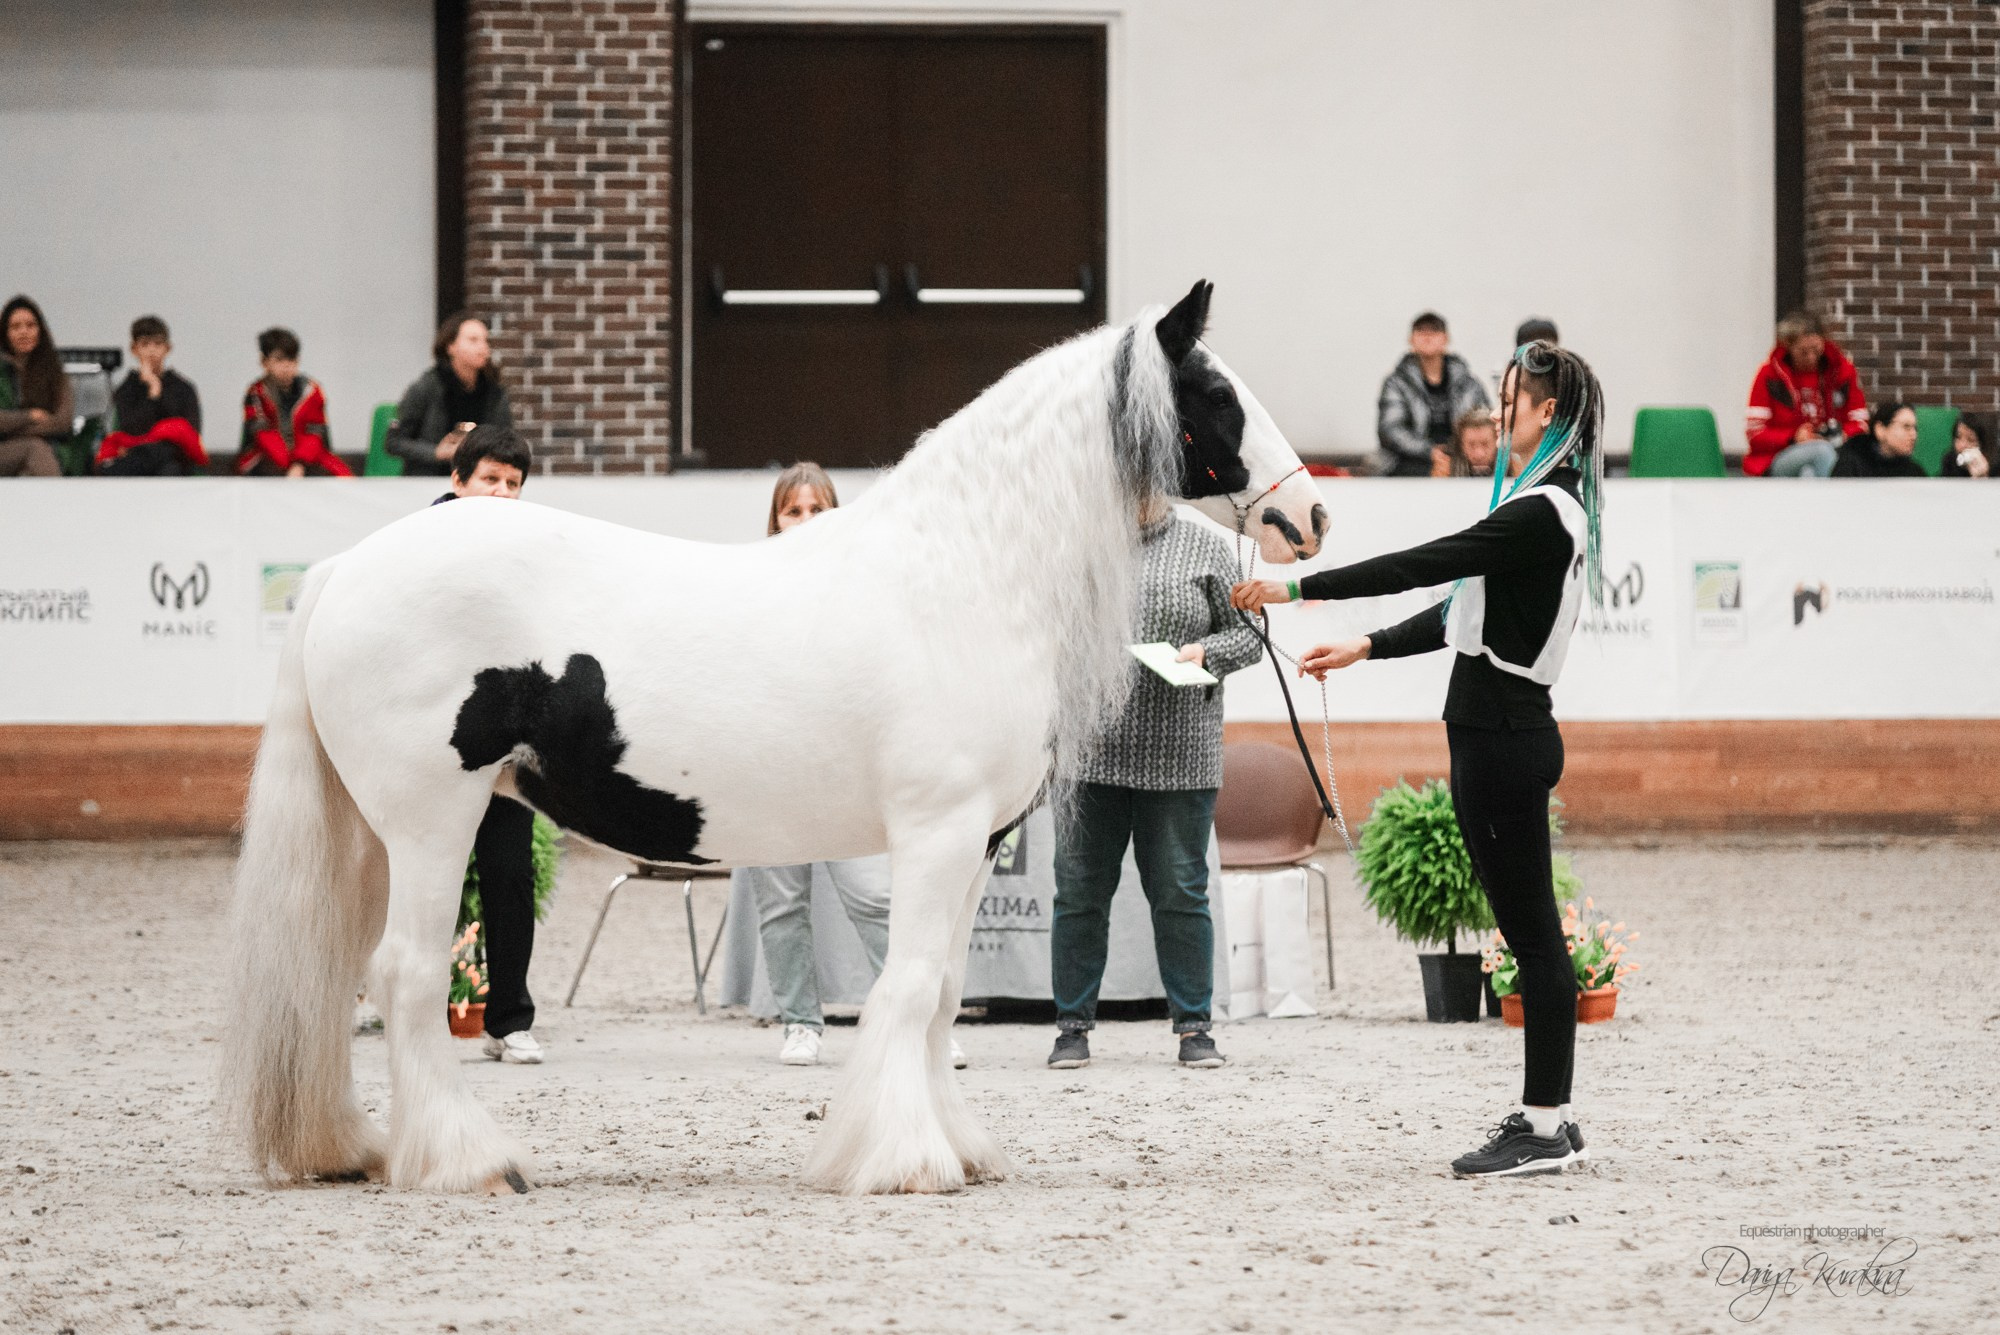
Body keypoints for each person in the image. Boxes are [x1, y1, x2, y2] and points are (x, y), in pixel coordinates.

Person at [1233, 340, 1607, 1178]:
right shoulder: (1552, 505)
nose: (1496, 414)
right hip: (1500, 733)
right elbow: (1454, 612)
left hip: (1502, 739)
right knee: (1533, 934)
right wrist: (1363, 646)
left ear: (1548, 413)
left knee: (1534, 939)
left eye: (1510, 401)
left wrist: (1297, 588)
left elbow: (1424, 564)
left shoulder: (1538, 511)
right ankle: (1551, 1115)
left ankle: (1543, 1126)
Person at [733, 465, 971, 1069]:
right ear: (775, 520)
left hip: (843, 771)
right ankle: (799, 1024)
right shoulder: (749, 585)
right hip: (770, 768)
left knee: (875, 898)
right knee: (782, 906)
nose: (806, 521)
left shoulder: (866, 588)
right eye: (793, 511)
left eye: (818, 509)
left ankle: (918, 1022)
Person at [1046, 498, 1262, 1072]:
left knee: (1180, 894)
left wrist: (1206, 652)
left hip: (1181, 754)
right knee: (1079, 894)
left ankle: (1195, 1028)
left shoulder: (1207, 547)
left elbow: (1250, 636)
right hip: (1088, 754)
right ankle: (1071, 1028)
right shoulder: (1078, 544)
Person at [431, 426, 541, 1061]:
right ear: (458, 481)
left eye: (513, 483)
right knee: (420, 877)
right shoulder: (416, 549)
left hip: (505, 745)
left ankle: (509, 1022)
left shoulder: (529, 555)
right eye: (490, 480)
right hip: (432, 749)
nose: (502, 493)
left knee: (510, 875)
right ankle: (402, 1009)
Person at [1743, 310, 1868, 478]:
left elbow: (1860, 423)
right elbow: (1755, 434)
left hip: (1836, 451)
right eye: (1803, 352)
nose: (1811, 357)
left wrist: (1841, 435)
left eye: (1816, 349)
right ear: (1788, 347)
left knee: (1808, 473)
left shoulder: (1842, 372)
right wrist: (1794, 437)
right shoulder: (1770, 375)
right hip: (1779, 457)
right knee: (1821, 452)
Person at [388, 312, 513, 477]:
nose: (483, 347)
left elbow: (506, 439)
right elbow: (394, 442)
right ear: (451, 346)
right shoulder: (427, 386)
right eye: (473, 340)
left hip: (478, 479)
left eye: (486, 341)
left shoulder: (494, 391)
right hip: (429, 479)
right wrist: (437, 452)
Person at [1377, 312, 1492, 478]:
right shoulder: (1396, 383)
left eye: (1434, 331)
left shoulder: (1468, 383)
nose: (1428, 337)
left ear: (1446, 338)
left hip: (1463, 459)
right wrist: (1429, 452)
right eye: (1421, 331)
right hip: (1413, 461)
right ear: (1411, 339)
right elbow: (1390, 430)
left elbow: (1486, 421)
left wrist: (1467, 450)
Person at [99, 316, 207, 476]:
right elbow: (131, 429)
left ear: (168, 348)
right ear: (134, 349)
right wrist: (152, 395)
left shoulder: (184, 389)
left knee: (168, 465)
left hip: (174, 458)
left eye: (157, 344)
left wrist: (158, 394)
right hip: (136, 455)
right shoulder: (127, 389)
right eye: (145, 344)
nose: (151, 351)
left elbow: (190, 432)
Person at [237, 328, 349, 477]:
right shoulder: (256, 393)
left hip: (309, 457)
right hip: (266, 457)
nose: (286, 366)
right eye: (279, 360)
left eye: (291, 360)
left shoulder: (312, 391)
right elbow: (263, 434)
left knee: (342, 480)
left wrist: (299, 463)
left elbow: (315, 435)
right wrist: (288, 465)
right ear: (264, 362)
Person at [0, 295, 70, 478]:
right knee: (34, 449)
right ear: (5, 333)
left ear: (40, 330)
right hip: (7, 451)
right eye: (16, 327)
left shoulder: (54, 371)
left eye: (30, 325)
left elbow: (62, 422)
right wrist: (29, 416)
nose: (24, 332)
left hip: (46, 447)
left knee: (36, 457)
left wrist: (11, 428)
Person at [1831, 401, 1926, 478]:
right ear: (1880, 429)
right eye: (1906, 427)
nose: (1913, 435)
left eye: (1915, 428)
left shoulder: (1914, 472)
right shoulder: (1851, 465)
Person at [1432, 406, 1520, 479]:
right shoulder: (1446, 470)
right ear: (1461, 445)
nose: (1479, 454)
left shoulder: (1516, 470)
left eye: (1485, 444)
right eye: (1471, 445)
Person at [1939, 413, 1992, 479]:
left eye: (1971, 440)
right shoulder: (1949, 460)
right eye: (1958, 437)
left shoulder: (1995, 466)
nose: (1962, 445)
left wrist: (1983, 477)